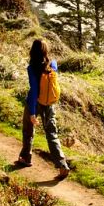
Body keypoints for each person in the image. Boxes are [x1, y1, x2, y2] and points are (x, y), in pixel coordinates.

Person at [16, 38, 71, 179]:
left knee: (28, 131)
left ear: (32, 51)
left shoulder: (31, 68)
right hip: (49, 104)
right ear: (46, 50)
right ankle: (62, 165)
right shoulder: (53, 64)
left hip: (34, 103)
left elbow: (34, 90)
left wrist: (33, 113)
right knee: (52, 134)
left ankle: (26, 158)